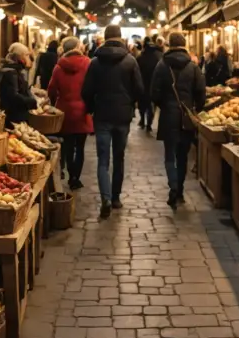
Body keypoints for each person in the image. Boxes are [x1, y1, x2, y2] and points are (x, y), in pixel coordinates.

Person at [82, 24, 144, 218]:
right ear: (120, 38)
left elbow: (86, 91)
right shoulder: (130, 61)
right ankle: (116, 197)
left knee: (102, 159)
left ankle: (105, 198)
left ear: (105, 38)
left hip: (102, 116)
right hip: (123, 116)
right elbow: (140, 90)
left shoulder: (95, 62)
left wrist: (92, 107)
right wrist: (131, 104)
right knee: (119, 157)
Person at [151, 32, 206, 209]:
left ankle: (173, 186)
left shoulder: (161, 65)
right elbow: (201, 92)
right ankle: (180, 190)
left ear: (169, 45)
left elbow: (154, 93)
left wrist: (165, 105)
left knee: (169, 155)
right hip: (186, 117)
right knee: (182, 156)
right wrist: (195, 108)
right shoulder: (193, 66)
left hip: (168, 116)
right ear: (184, 44)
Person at [48, 36, 93, 190]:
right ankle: (75, 178)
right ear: (78, 47)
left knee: (68, 146)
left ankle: (69, 172)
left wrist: (54, 104)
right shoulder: (87, 63)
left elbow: (51, 90)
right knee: (80, 147)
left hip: (64, 110)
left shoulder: (58, 66)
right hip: (82, 111)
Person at [0, 42, 37, 126]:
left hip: (16, 115)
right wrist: (31, 102)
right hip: (14, 117)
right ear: (20, 57)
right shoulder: (11, 72)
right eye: (26, 55)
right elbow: (13, 96)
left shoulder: (15, 70)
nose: (28, 58)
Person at [136, 35, 162, 131]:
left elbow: (137, 72)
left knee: (142, 104)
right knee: (152, 105)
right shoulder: (158, 56)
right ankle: (149, 124)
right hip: (153, 84)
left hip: (142, 84)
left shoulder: (140, 57)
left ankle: (142, 120)